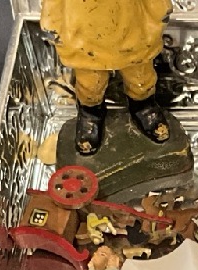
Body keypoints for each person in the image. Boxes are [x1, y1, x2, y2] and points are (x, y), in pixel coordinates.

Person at [41, 0, 173, 155]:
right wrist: (50, 22)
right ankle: (90, 114)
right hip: (84, 37)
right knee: (90, 86)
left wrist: (160, 9)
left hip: (132, 32)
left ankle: (143, 106)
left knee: (141, 79)